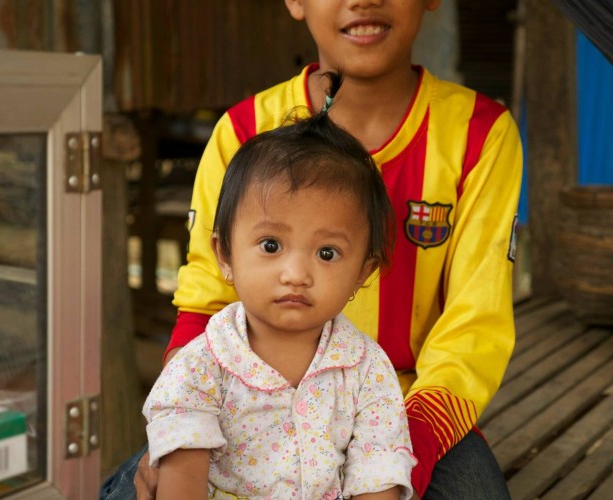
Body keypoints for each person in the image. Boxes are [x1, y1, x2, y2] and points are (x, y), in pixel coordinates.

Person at [101, 0, 523, 498]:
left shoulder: (480, 133)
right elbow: (202, 307)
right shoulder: (242, 130)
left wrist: (392, 458)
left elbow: (472, 328)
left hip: (405, 408)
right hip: (242, 402)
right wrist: (176, 436)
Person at [143, 99, 417, 499]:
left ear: (362, 272)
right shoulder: (200, 365)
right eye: (270, 245)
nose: (296, 275)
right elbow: (181, 482)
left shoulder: (368, 371)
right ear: (225, 255)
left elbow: (378, 475)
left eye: (327, 253)